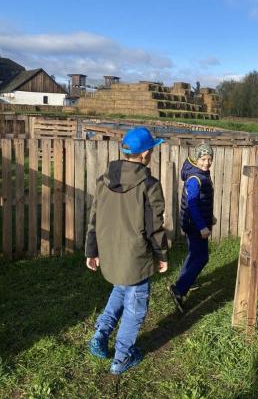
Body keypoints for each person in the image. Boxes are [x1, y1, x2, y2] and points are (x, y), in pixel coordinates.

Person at [85, 127, 168, 375]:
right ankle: (122, 357)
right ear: (144, 155)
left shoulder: (103, 180)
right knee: (135, 307)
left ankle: (99, 337)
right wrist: (161, 255)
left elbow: (94, 217)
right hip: (136, 257)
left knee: (120, 289)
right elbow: (155, 225)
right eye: (151, 150)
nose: (151, 154)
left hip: (110, 252)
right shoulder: (150, 185)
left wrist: (92, 250)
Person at [168, 143, 214, 313]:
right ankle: (179, 289)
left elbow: (202, 201)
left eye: (209, 159)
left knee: (194, 254)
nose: (206, 162)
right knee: (202, 258)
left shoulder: (201, 174)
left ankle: (186, 280)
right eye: (203, 159)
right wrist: (202, 226)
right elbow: (193, 204)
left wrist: (210, 218)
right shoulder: (195, 179)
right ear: (196, 158)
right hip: (195, 225)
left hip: (192, 222)